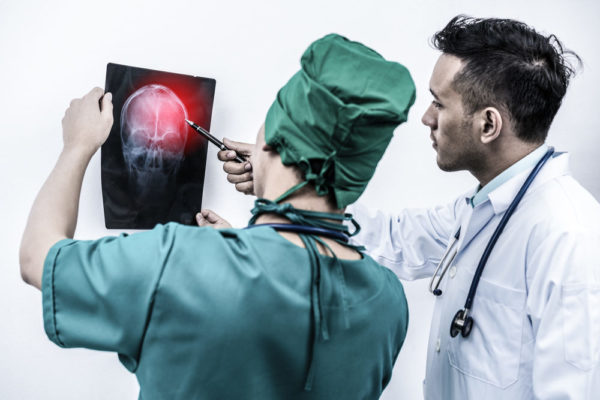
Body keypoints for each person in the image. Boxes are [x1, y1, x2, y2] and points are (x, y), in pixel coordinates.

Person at [214, 16, 600, 399]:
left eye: (439, 103)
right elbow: (395, 238)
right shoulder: (481, 207)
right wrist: (286, 177)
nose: (426, 118)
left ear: (488, 125)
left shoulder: (568, 233)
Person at [19, 34, 417, 399]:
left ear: (273, 138)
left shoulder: (179, 263)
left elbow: (39, 258)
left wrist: (76, 145)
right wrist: (247, 233)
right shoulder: (388, 301)